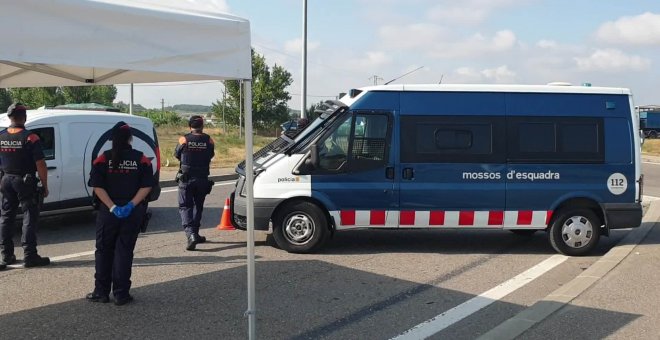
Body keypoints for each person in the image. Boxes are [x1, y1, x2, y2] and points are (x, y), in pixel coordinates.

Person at [86, 121, 155, 305]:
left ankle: (101, 292)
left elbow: (97, 186)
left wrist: (111, 207)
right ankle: (121, 294)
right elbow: (147, 186)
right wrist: (131, 205)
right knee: (124, 252)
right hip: (132, 213)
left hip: (108, 213)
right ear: (130, 138)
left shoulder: (102, 158)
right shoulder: (141, 159)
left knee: (103, 251)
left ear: (112, 139)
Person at [0, 103, 50, 269]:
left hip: (6, 180)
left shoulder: (1, 136)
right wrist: (45, 185)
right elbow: (41, 164)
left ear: (9, 117)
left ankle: (6, 255)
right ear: (24, 117)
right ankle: (30, 255)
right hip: (25, 182)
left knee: (6, 217)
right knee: (29, 216)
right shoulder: (30, 137)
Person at [175, 115, 215, 251]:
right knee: (198, 206)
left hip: (186, 179)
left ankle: (191, 234)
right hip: (202, 178)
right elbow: (211, 155)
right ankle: (195, 233)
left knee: (185, 206)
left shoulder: (184, 139)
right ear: (202, 126)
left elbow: (176, 154)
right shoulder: (209, 140)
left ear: (189, 126)